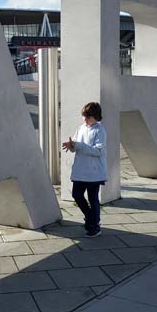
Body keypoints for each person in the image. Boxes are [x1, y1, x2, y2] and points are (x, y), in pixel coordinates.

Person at [62, 102, 107, 237]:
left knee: (93, 199)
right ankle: (91, 219)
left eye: (88, 117)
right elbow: (77, 146)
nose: (85, 119)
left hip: (94, 172)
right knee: (76, 195)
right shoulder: (81, 128)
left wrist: (79, 145)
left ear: (96, 116)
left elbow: (98, 150)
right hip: (81, 170)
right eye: (84, 116)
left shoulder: (100, 130)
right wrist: (71, 146)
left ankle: (94, 225)